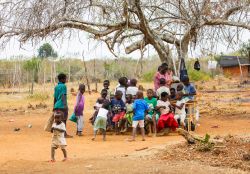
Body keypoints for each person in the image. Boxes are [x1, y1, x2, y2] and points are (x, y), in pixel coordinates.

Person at [53, 73, 72, 138]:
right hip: (62, 106)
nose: (66, 80)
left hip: (56, 106)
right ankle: (64, 134)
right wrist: (65, 105)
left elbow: (55, 98)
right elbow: (63, 96)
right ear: (62, 79)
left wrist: (54, 106)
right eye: (65, 78)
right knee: (64, 120)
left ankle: (58, 133)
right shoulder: (64, 86)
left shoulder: (56, 87)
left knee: (57, 120)